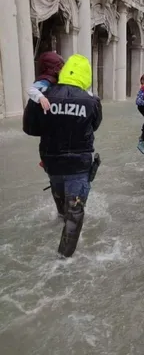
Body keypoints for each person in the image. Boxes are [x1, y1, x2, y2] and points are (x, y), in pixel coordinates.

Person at [23, 54, 102, 258]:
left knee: (61, 206)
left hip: (52, 163)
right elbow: (94, 126)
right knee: (74, 212)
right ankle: (63, 260)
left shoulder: (44, 94)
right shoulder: (92, 100)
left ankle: (59, 221)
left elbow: (30, 129)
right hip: (78, 166)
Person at [26, 52, 65, 168]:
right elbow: (30, 89)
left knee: (51, 138)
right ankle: (45, 160)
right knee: (49, 138)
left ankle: (46, 159)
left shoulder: (53, 79)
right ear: (53, 68)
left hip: (50, 114)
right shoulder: (46, 80)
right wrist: (40, 97)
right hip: (46, 112)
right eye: (60, 66)